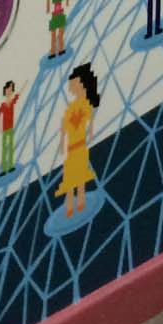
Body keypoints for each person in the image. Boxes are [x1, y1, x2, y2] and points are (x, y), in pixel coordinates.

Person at [57, 63, 100, 219]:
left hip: (80, 145)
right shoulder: (72, 107)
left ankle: (80, 203)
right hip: (72, 147)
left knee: (80, 176)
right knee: (70, 178)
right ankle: (70, 206)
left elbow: (89, 120)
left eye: (73, 84)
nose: (71, 87)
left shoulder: (85, 104)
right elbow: (64, 125)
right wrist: (62, 141)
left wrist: (91, 132)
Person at [0, 81, 19, 175]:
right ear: (5, 91)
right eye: (8, 89)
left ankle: (10, 166)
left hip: (11, 128)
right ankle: (4, 168)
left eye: (11, 89)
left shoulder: (12, 102)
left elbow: (17, 97)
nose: (9, 91)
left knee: (10, 147)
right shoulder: (2, 105)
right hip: (5, 129)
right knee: (5, 148)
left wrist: (18, 94)